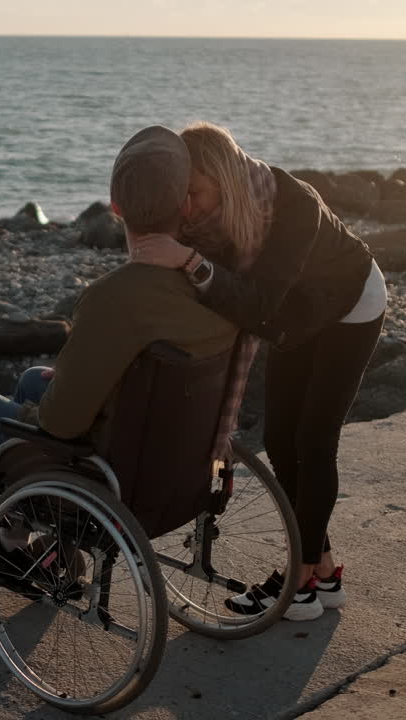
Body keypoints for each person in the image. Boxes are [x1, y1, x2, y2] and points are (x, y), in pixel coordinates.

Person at [130, 122, 387, 621]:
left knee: (313, 442)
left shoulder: (293, 207)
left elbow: (258, 304)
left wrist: (191, 262)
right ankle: (324, 572)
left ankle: (299, 580)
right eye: (179, 195)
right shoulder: (208, 219)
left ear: (224, 179)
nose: (188, 207)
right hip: (296, 317)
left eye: (195, 193)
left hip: (351, 303)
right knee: (281, 439)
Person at [0, 124, 237, 494]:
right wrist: (76, 375)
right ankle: (12, 530)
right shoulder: (213, 285)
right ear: (185, 204)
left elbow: (61, 424)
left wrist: (66, 389)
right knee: (33, 380)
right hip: (174, 465)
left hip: (106, 471)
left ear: (116, 208)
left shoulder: (110, 297)